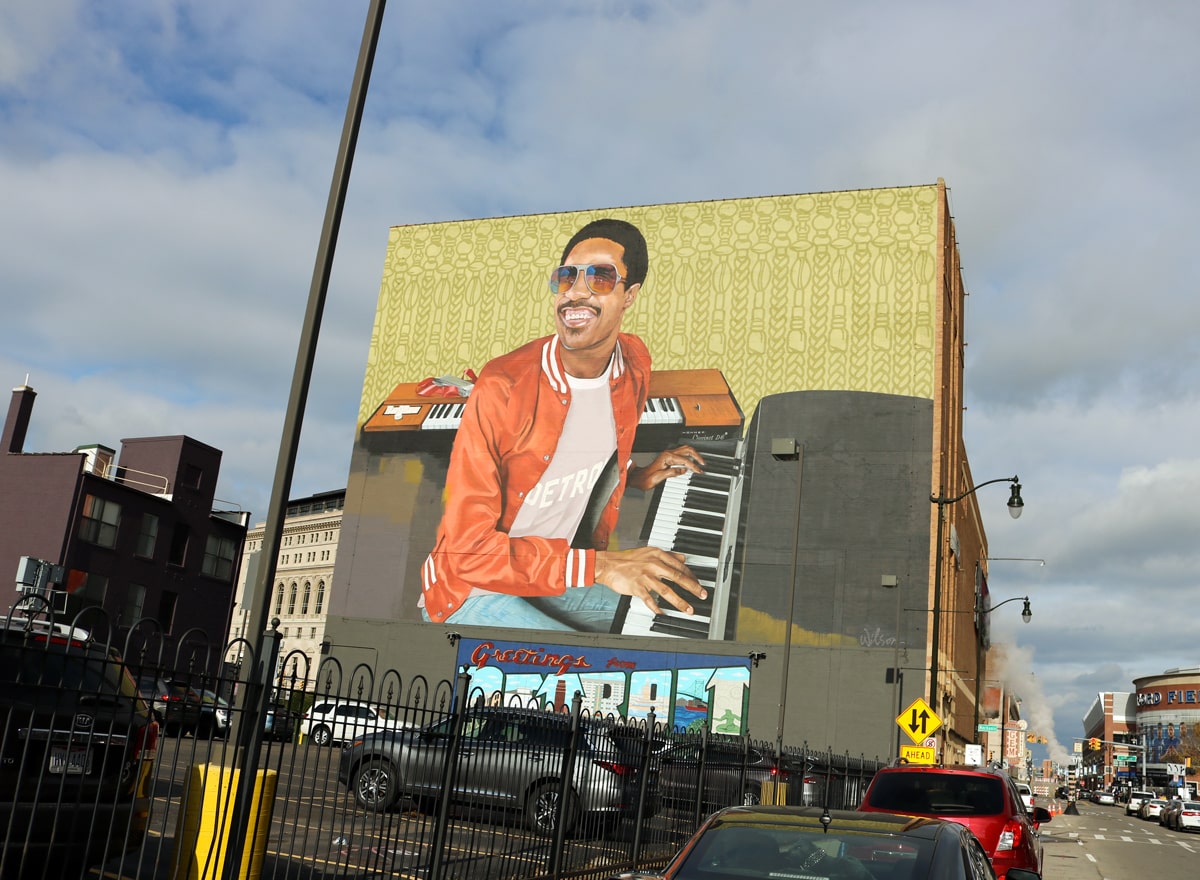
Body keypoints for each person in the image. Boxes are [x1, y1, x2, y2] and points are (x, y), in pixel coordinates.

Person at [419, 218, 707, 630]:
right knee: (594, 666)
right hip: (471, 586)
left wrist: (638, 474)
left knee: (682, 618)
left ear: (630, 295)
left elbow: (585, 453)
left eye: (601, 278)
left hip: (553, 575)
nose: (576, 292)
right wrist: (602, 566)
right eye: (567, 277)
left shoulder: (634, 361)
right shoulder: (502, 385)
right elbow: (467, 552)